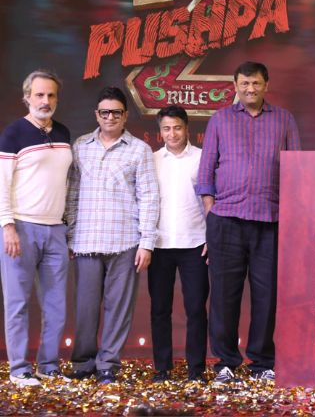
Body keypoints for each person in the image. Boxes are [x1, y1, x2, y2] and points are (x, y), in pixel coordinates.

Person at [196, 61, 300, 383]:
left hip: (270, 220)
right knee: (224, 295)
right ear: (235, 86)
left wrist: (291, 217)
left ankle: (262, 362)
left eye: (255, 83)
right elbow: (205, 173)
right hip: (226, 220)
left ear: (266, 85)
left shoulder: (284, 119)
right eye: (244, 83)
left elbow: (296, 171)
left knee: (266, 296)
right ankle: (226, 362)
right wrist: (212, 213)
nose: (250, 89)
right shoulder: (220, 120)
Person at [65, 86, 159, 385]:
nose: (110, 117)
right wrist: (69, 234)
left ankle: (107, 364)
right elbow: (72, 193)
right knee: (85, 308)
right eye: (104, 112)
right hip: (86, 240)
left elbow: (149, 197)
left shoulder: (139, 150)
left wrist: (147, 243)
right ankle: (83, 363)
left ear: (125, 115)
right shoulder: (81, 146)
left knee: (118, 308)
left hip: (125, 241)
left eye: (116, 113)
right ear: (97, 115)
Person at [0, 70, 72, 386]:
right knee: (17, 303)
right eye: (39, 95)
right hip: (21, 228)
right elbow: (1, 184)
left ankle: (48, 365)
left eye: (51, 95)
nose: (45, 101)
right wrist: (7, 226)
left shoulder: (63, 133)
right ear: (27, 97)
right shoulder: (13, 133)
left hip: (55, 230)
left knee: (56, 306)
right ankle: (19, 369)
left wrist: (66, 226)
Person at [149, 105, 208, 383]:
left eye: (177, 128)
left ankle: (196, 369)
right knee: (160, 309)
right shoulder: (152, 160)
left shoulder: (202, 158)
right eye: (166, 129)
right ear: (160, 132)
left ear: (187, 128)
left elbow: (211, 200)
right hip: (159, 244)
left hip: (195, 243)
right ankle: (162, 368)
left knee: (196, 309)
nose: (172, 134)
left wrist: (211, 237)